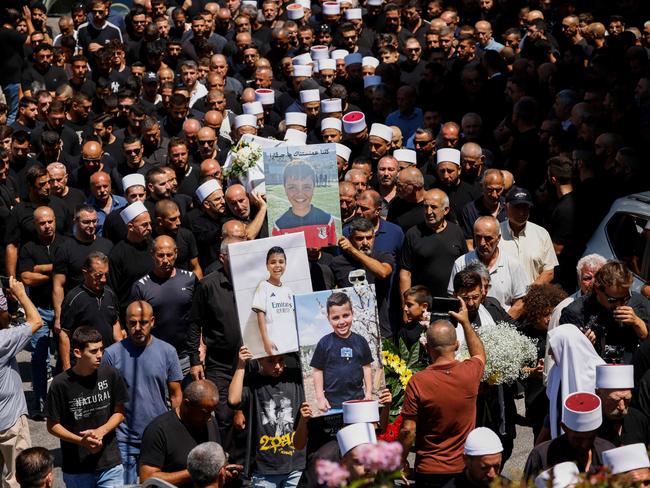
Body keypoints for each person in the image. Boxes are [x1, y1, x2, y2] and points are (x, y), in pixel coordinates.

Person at [398, 298, 485, 488]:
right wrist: (465, 322)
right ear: (457, 345)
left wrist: (401, 460)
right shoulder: (469, 373)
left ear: (426, 347)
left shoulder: (418, 381)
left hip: (429, 470)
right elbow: (479, 354)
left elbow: (408, 430)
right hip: (464, 468)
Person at [102, 300, 183, 484]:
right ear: (125, 323)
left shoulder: (168, 352)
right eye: (132, 323)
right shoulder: (111, 355)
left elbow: (176, 395)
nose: (138, 328)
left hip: (159, 437)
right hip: (124, 439)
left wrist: (177, 430)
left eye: (143, 322)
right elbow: (105, 398)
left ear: (152, 322)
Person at [45, 326, 129, 487]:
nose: (100, 355)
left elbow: (119, 413)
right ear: (77, 352)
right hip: (77, 468)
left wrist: (100, 432)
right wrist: (81, 441)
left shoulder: (111, 374)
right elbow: (52, 425)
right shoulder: (60, 384)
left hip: (110, 464)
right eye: (93, 351)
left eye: (101, 350)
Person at [228, 347, 308, 488]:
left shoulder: (295, 378)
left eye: (281, 360)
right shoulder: (253, 381)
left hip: (295, 466)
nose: (277, 366)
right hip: (264, 469)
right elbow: (233, 400)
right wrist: (241, 365)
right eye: (271, 361)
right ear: (259, 359)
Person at [559, 261, 649, 364]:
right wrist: (582, 346)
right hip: (594, 375)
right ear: (598, 289)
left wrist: (638, 323)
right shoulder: (576, 312)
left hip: (631, 373)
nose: (619, 304)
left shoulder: (639, 303)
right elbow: (563, 356)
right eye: (612, 300)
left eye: (625, 298)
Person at [0, 277, 43, 488]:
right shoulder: (3, 341)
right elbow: (36, 321)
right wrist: (20, 293)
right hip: (9, 423)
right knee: (21, 480)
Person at [139, 380, 221, 487]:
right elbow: (147, 479)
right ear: (187, 404)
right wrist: (195, 473)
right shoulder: (159, 430)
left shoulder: (210, 422)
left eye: (211, 412)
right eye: (205, 412)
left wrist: (224, 469)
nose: (209, 418)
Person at [448, 216, 529, 319]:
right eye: (478, 237)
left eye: (488, 238)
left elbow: (521, 301)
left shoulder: (513, 264)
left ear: (498, 238)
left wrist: (502, 326)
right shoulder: (461, 263)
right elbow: (453, 298)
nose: (482, 243)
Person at [523, 392, 615, 480]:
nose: (584, 445)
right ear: (564, 427)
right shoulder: (541, 456)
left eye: (590, 438)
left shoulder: (607, 451)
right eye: (578, 439)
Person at [310, 292, 373, 412]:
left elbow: (367, 367)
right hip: (332, 405)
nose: (341, 321)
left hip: (358, 402)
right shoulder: (324, 343)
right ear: (328, 318)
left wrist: (368, 392)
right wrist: (320, 397)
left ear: (352, 314)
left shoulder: (361, 341)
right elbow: (317, 371)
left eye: (345, 315)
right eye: (335, 318)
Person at [59, 251, 122, 371]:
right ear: (85, 273)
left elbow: (115, 323)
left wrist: (122, 352)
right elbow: (64, 334)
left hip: (108, 360)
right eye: (98, 275)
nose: (103, 279)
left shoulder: (110, 294)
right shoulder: (74, 299)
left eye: (105, 275)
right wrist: (67, 366)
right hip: (83, 362)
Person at [332, 217, 395, 337]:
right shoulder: (337, 264)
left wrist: (352, 250)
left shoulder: (383, 257)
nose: (365, 242)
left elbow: (383, 272)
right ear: (350, 239)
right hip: (350, 331)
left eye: (369, 238)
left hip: (381, 330)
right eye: (360, 238)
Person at [400, 189, 467, 298]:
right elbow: (405, 273)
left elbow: (464, 267)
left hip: (451, 301)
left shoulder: (456, 232)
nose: (428, 212)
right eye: (425, 207)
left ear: (446, 210)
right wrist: (405, 307)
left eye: (433, 207)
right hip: (422, 304)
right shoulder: (413, 234)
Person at [545, 324, 605, 440]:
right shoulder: (556, 370)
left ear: (568, 347)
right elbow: (552, 410)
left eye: (554, 347)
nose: (550, 353)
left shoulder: (598, 371)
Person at [498, 187, 558, 285]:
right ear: (505, 207)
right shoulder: (496, 233)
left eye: (525, 207)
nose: (521, 212)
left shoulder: (542, 234)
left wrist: (528, 296)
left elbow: (548, 272)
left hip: (533, 296)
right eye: (517, 207)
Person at [272, 160, 337, 248]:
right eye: (292, 187)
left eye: (306, 187)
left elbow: (332, 253)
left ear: (314, 187)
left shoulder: (327, 220)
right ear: (285, 188)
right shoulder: (279, 226)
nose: (300, 193)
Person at [252, 246, 298, 357]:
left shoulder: (288, 290)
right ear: (267, 266)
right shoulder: (263, 286)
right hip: (275, 346)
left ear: (285, 264)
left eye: (281, 262)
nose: (277, 266)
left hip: (292, 344)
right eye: (273, 262)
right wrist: (265, 341)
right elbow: (260, 315)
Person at [594, 364, 648, 446]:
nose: (622, 407)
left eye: (627, 399)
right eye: (615, 400)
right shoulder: (590, 427)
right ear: (598, 394)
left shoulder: (638, 420)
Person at [399, 285, 432, 350]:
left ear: (424, 306)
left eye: (409, 305)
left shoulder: (435, 326)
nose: (405, 308)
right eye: (405, 304)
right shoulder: (405, 331)